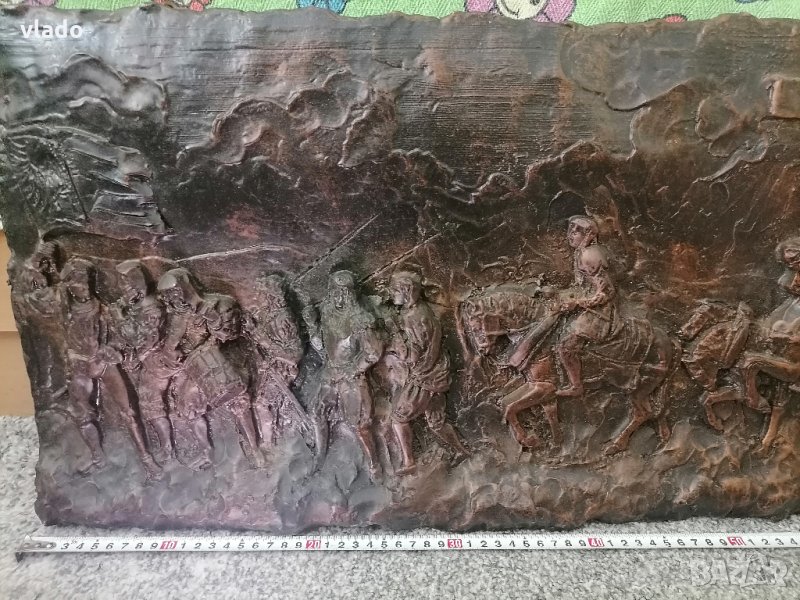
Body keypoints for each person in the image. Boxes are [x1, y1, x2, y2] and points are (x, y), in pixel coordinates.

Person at [386, 271, 468, 475]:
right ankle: (462, 451)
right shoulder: (421, 311)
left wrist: (396, 340)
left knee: (398, 418)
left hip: (424, 377)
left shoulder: (415, 317)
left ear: (406, 291)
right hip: (436, 374)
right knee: (436, 423)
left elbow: (413, 355)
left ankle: (409, 462)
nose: (391, 294)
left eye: (395, 290)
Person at [308, 270, 384, 479]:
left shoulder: (360, 319)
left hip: (351, 378)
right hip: (331, 373)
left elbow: (374, 352)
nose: (339, 298)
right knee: (317, 413)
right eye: (335, 293)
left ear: (352, 295)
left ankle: (374, 464)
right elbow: (322, 346)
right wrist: (312, 326)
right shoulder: (327, 313)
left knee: (359, 425)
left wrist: (354, 369)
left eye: (344, 294)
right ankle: (320, 456)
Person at [109, 260, 173, 466]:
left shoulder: (152, 309)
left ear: (137, 285)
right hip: (141, 362)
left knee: (150, 404)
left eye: (125, 285)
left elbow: (141, 339)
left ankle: (167, 447)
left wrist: (119, 318)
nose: (122, 290)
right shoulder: (135, 307)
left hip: (157, 363)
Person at [555, 215, 621, 398]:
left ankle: (576, 386)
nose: (570, 235)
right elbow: (584, 286)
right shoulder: (582, 253)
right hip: (589, 305)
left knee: (566, 346)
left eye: (576, 232)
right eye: (570, 231)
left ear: (589, 235)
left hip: (601, 312)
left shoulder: (589, 256)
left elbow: (606, 293)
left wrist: (578, 303)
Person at [241, 274, 306, 448]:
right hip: (269, 368)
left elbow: (296, 351)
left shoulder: (283, 319)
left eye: (261, 294)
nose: (258, 298)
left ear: (271, 296)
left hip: (282, 370)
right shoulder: (266, 315)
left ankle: (269, 443)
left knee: (261, 403)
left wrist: (260, 337)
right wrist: (252, 330)